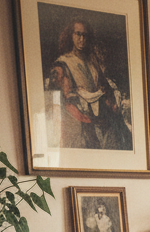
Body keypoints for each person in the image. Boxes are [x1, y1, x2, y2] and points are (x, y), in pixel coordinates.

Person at [48, 19, 132, 152]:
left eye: (85, 35)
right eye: (78, 34)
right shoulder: (63, 63)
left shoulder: (92, 63)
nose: (82, 39)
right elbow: (63, 99)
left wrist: (110, 101)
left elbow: (104, 88)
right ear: (71, 35)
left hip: (101, 116)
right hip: (79, 120)